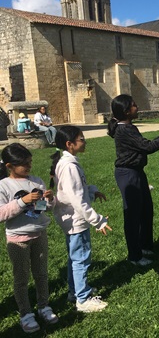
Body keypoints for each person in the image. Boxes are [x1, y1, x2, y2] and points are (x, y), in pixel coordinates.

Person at [107, 94, 159, 266]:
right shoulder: (125, 129)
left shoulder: (128, 126)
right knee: (133, 215)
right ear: (126, 111)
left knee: (146, 210)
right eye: (134, 105)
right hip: (128, 174)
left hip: (136, 172)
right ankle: (134, 256)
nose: (137, 107)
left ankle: (145, 246)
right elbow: (148, 146)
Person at [50, 126, 111, 313]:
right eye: (81, 139)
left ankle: (74, 291)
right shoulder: (69, 166)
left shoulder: (68, 162)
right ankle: (83, 299)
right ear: (70, 144)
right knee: (81, 258)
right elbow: (76, 199)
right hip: (76, 219)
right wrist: (98, 220)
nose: (85, 141)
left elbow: (77, 190)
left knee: (74, 257)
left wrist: (92, 190)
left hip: (71, 218)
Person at [0, 143, 58, 333]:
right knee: (21, 278)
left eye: (30, 162)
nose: (29, 166)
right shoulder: (4, 185)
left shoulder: (36, 181)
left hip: (39, 234)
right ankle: (25, 313)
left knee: (41, 274)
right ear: (9, 166)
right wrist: (21, 202)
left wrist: (48, 200)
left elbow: (42, 209)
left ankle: (44, 306)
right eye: (24, 164)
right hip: (18, 239)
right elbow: (1, 214)